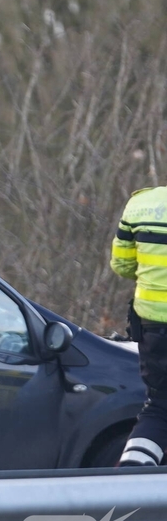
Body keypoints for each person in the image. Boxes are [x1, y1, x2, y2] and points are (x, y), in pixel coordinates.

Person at [111, 186, 167, 466]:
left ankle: (132, 474)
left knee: (159, 408)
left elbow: (122, 265)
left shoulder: (140, 205)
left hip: (154, 329)